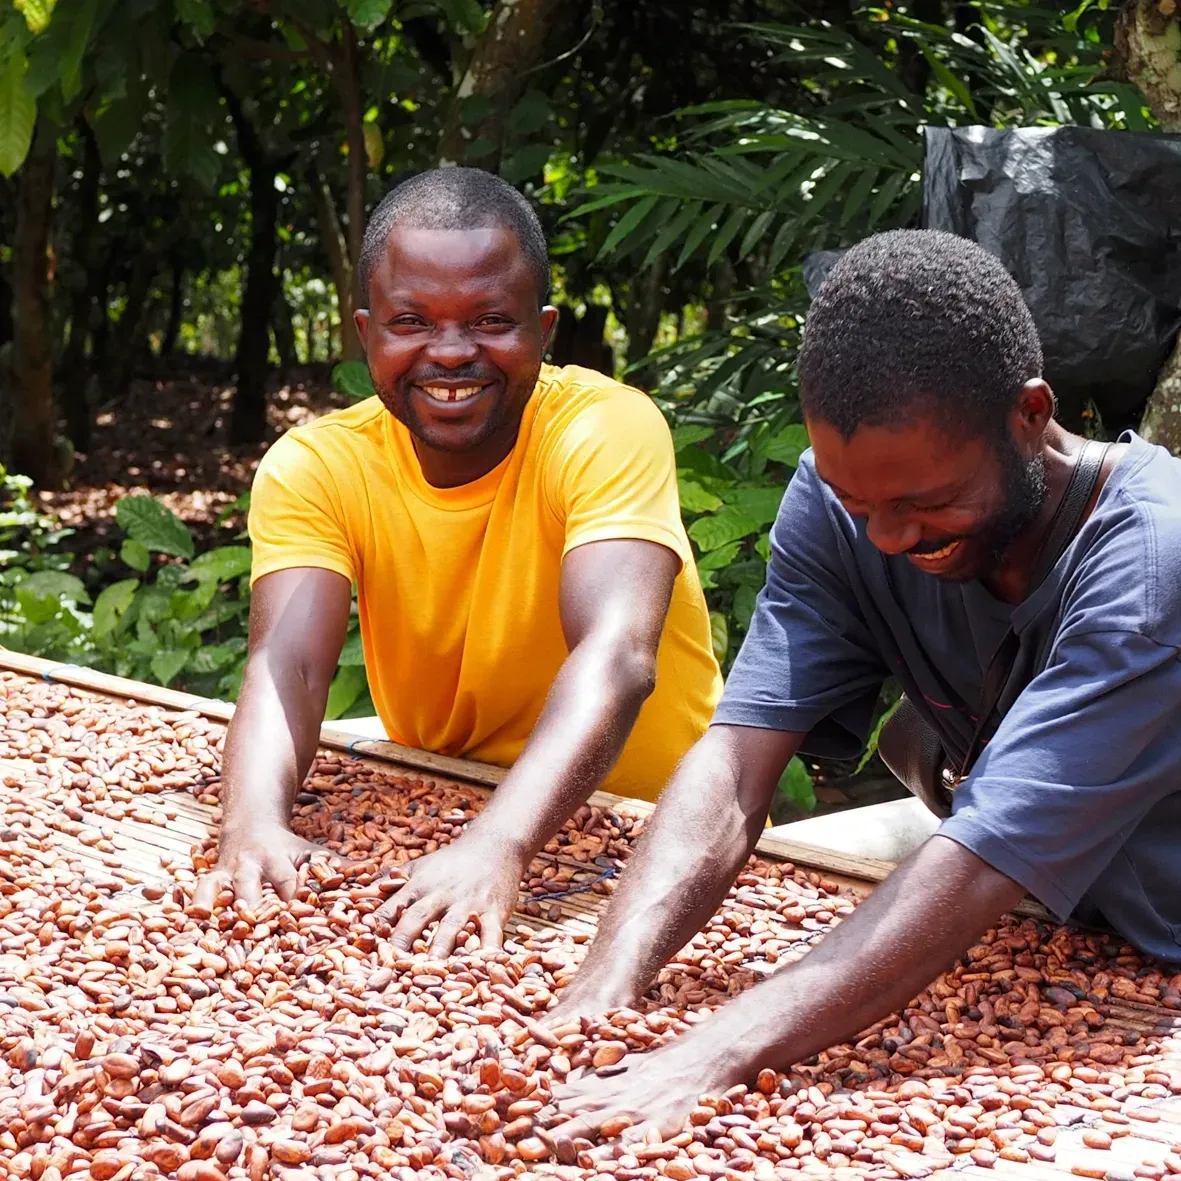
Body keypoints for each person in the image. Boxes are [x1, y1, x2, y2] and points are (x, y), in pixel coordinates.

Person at [547, 229, 1181, 1140]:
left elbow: (979, 859)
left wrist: (713, 1052)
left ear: (1028, 414)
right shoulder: (839, 497)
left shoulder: (1150, 563)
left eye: (924, 504)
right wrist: (607, 981)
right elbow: (735, 762)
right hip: (1066, 908)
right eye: (858, 504)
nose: (886, 536)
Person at [192, 168, 722, 951]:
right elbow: (289, 668)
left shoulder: (604, 429)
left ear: (542, 330)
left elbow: (617, 656)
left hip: (653, 840)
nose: (449, 353)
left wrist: (498, 844)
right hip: (436, 813)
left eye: (489, 320)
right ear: (365, 332)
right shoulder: (316, 466)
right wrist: (253, 823)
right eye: (411, 321)